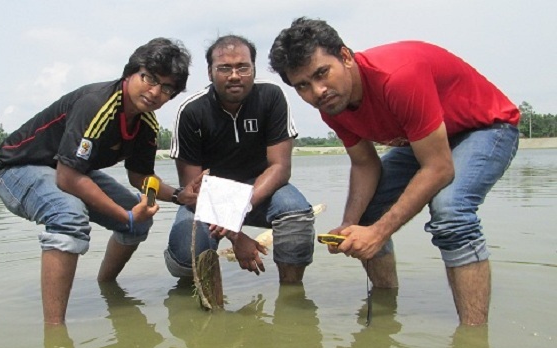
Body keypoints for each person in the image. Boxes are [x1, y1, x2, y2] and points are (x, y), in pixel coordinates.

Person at [268, 18, 520, 325]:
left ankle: (473, 341)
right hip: (422, 141)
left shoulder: (397, 77)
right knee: (366, 215)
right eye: (302, 86)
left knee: (450, 211)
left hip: (484, 128)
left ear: (346, 57)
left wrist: (379, 233)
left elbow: (439, 167)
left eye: (322, 73)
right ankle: (387, 309)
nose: (317, 91)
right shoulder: (332, 104)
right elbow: (364, 164)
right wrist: (351, 223)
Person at [0, 38, 202, 325]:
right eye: (149, 78)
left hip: (64, 168)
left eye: (166, 88)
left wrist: (179, 195)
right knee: (68, 215)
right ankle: (55, 333)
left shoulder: (146, 123)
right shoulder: (98, 103)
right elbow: (67, 177)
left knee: (139, 223)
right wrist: (125, 215)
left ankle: (107, 287)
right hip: (17, 167)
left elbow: (140, 177)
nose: (155, 92)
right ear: (130, 73)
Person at [165, 35, 315, 284]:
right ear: (210, 72)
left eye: (243, 67)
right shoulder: (191, 112)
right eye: (224, 68)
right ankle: (202, 299)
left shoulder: (271, 97)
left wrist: (238, 210)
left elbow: (280, 168)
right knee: (185, 256)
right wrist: (237, 236)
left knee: (296, 215)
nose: (234, 76)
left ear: (254, 69)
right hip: (207, 197)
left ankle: (291, 294)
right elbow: (194, 191)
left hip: (259, 189)